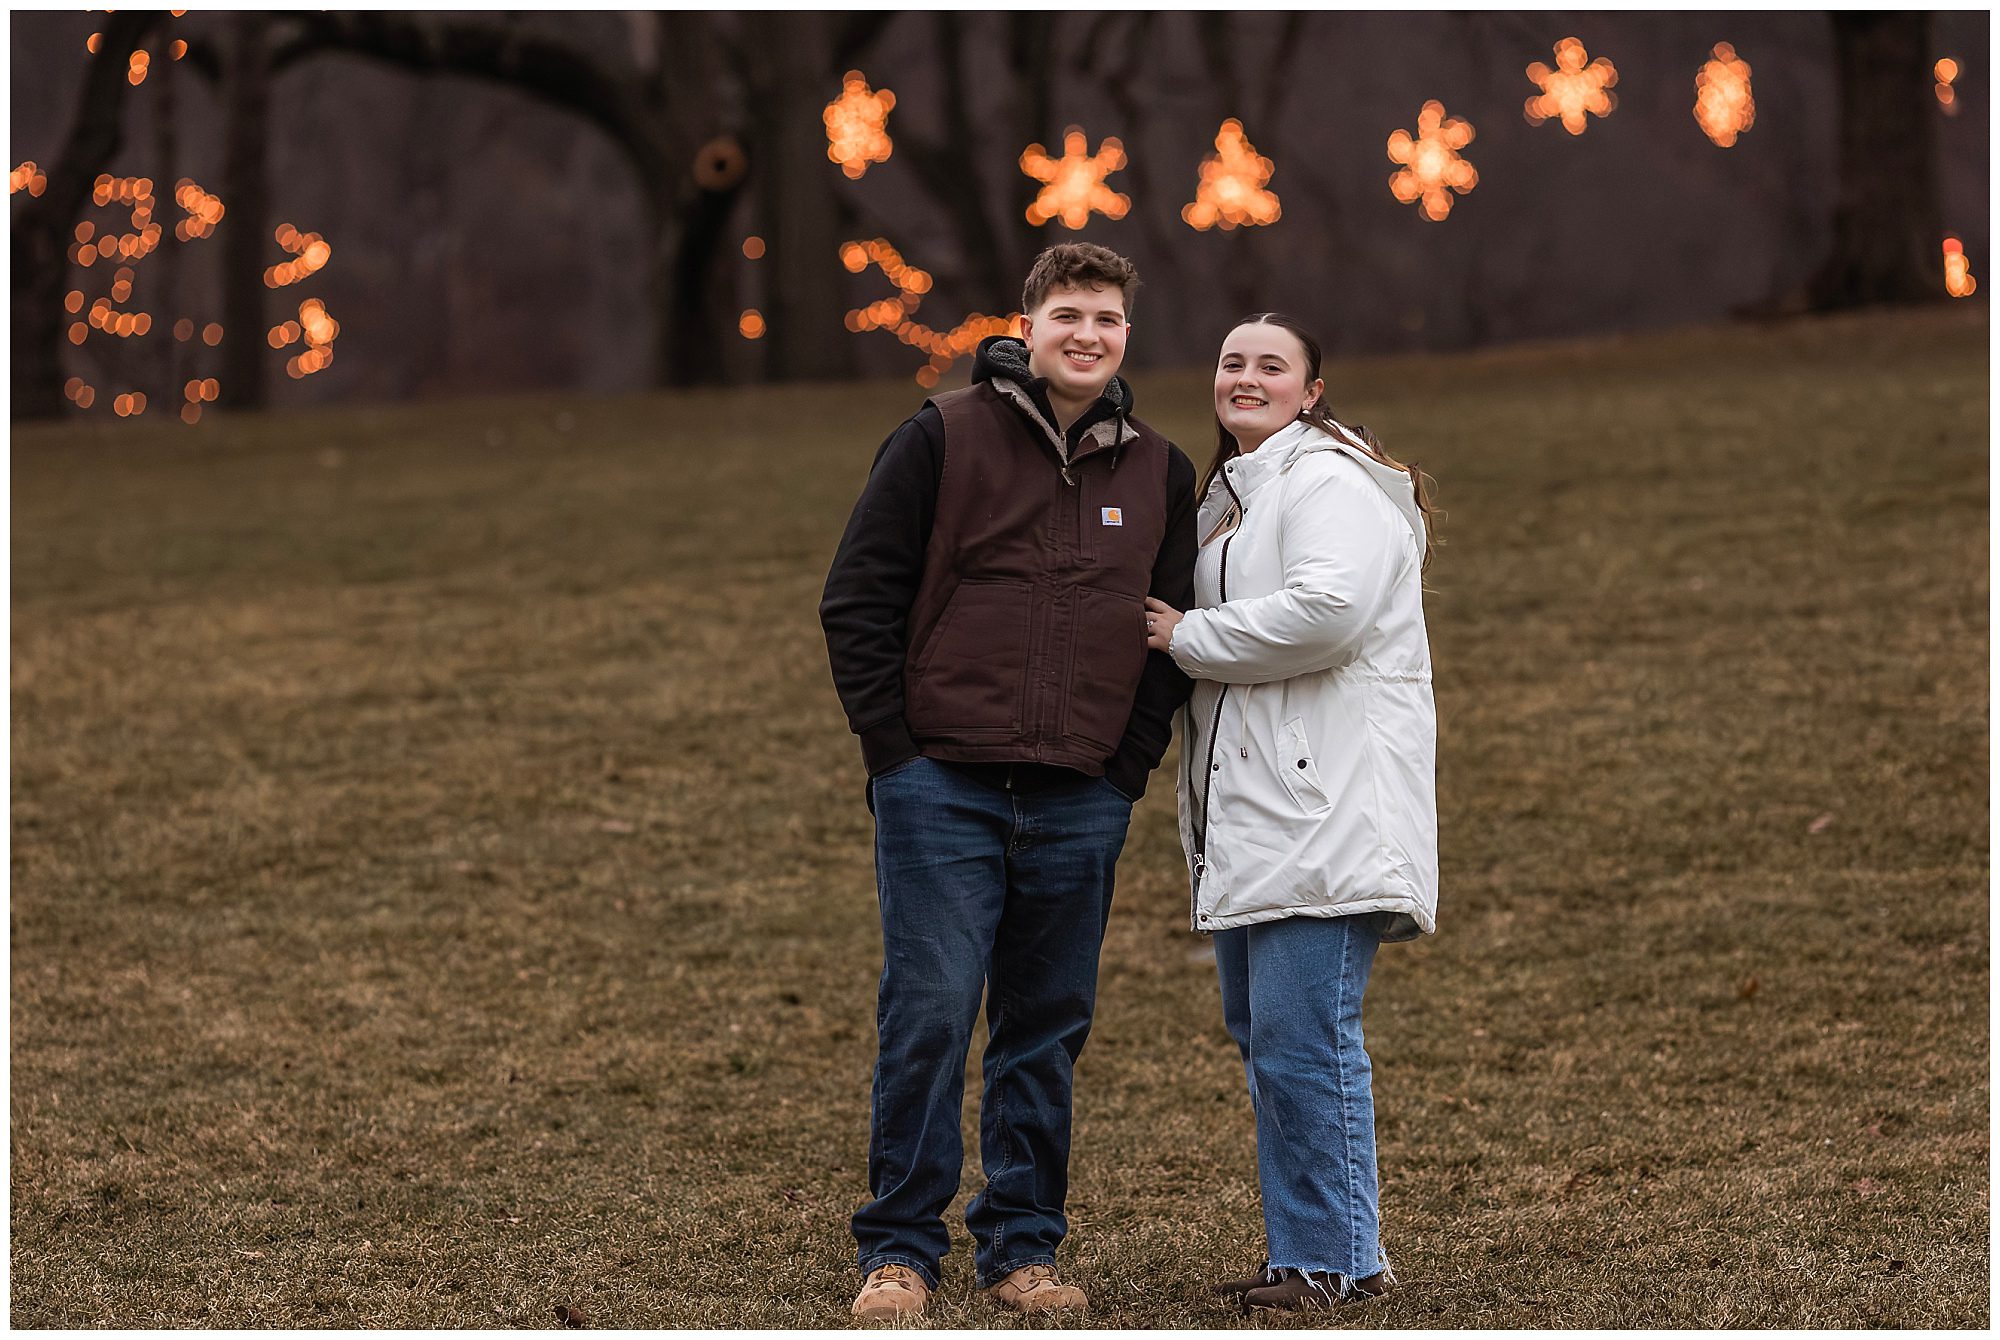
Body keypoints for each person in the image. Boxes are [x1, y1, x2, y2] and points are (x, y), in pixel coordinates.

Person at [820, 242, 1198, 1322]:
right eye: (1068, 314)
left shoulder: (1159, 469)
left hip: (1079, 793)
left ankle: (1021, 1251)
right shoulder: (941, 435)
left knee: (1044, 1024)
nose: (1088, 335)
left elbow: (1169, 635)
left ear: (1127, 336)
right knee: (931, 1012)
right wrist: (894, 751)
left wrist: (1123, 765)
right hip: (940, 783)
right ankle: (897, 1254)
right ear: (1025, 326)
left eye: (1109, 320)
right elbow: (857, 599)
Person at [1141, 312, 1438, 1312]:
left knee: (1303, 1035)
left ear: (1310, 391)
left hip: (1324, 806)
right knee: (1270, 1033)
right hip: (1263, 813)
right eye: (1232, 362)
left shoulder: (1323, 482)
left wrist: (1186, 633)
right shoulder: (1237, 495)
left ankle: (1336, 1262)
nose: (1246, 377)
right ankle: (1310, 1251)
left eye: (1272, 365)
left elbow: (1328, 611)